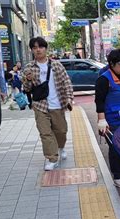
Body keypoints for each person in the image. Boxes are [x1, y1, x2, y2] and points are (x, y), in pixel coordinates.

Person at [22, 37, 73, 171]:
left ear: (45, 48)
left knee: (61, 131)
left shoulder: (56, 65)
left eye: (40, 47)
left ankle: (60, 147)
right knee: (45, 133)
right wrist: (27, 80)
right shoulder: (29, 67)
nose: (38, 50)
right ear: (32, 50)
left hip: (57, 104)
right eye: (34, 47)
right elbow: (27, 88)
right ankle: (52, 158)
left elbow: (66, 82)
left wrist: (69, 98)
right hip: (40, 105)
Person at [95, 49, 120, 188]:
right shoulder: (104, 79)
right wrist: (101, 120)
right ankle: (117, 175)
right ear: (112, 63)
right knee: (116, 148)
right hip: (112, 121)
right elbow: (99, 101)